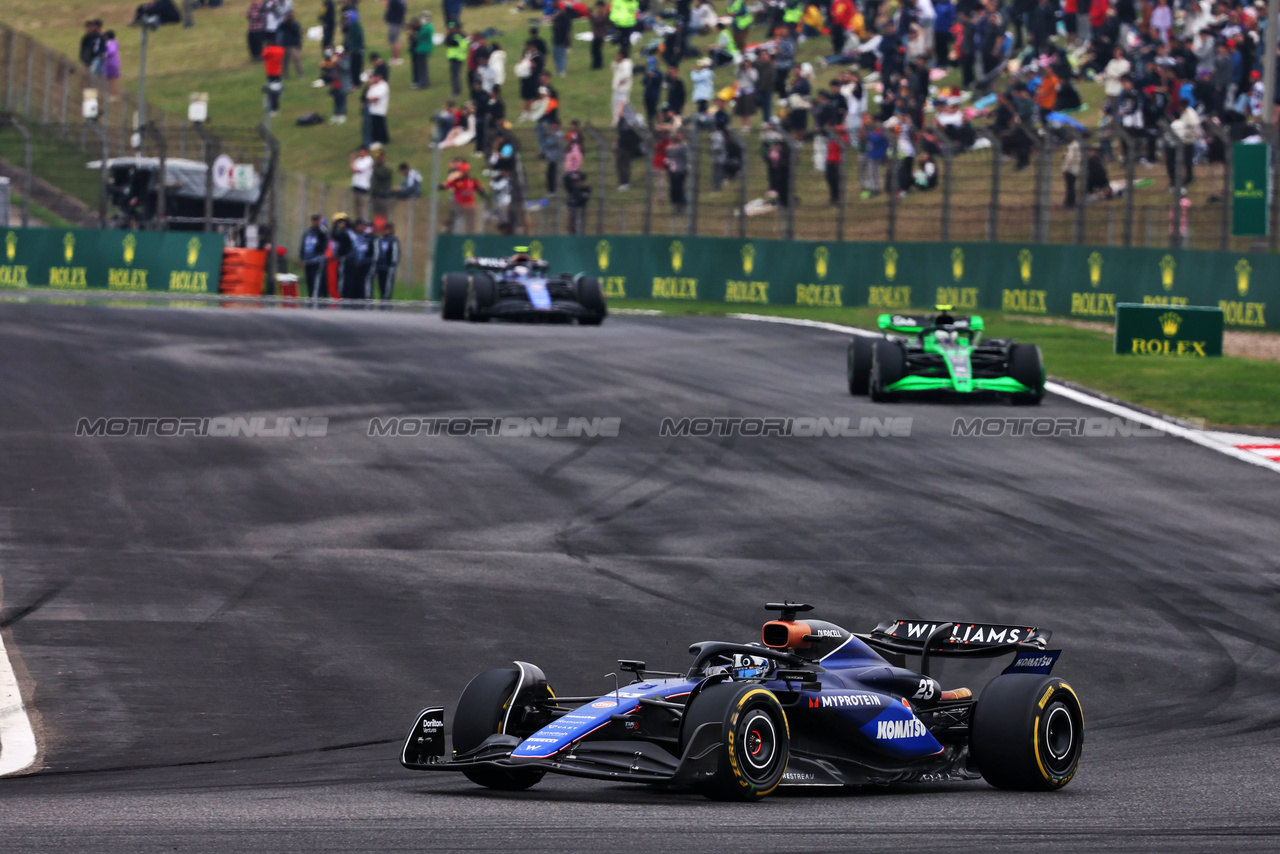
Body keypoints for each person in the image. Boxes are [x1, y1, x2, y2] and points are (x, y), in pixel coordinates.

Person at [441, 158, 486, 232]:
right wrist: (441, 186)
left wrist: (484, 195)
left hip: (469, 206)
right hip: (459, 205)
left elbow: (479, 189)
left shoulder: (472, 181)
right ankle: (448, 230)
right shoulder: (456, 181)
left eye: (466, 171)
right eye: (463, 171)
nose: (465, 172)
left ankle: (470, 236)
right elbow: (447, 185)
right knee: (455, 219)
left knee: (471, 224)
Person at [299, 213, 329, 301]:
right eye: (314, 220)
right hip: (308, 261)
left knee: (316, 281)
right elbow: (303, 245)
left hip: (318, 260)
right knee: (309, 281)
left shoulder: (322, 231)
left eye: (317, 220)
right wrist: (302, 257)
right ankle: (311, 298)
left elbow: (325, 239)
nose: (315, 222)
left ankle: (316, 299)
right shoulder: (308, 232)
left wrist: (320, 228)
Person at [327, 214, 355, 300]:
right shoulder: (335, 232)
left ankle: (341, 295)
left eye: (342, 222)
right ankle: (336, 295)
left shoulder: (347, 232)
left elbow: (350, 243)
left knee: (343, 278)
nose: (341, 224)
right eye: (339, 222)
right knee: (334, 278)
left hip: (346, 258)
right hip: (337, 258)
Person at [372, 222, 401, 303]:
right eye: (385, 229)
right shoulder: (380, 240)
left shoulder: (394, 240)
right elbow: (376, 252)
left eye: (388, 229)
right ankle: (382, 299)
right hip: (380, 266)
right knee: (381, 284)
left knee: (388, 285)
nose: (387, 231)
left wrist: (393, 263)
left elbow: (396, 253)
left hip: (389, 266)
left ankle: (386, 300)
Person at [666, 130, 689, 214]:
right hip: (673, 170)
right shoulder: (670, 148)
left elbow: (685, 158)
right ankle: (677, 205)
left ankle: (681, 203)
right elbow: (669, 159)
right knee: (674, 189)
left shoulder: (682, 147)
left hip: (680, 170)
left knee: (678, 188)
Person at [410, 13, 433, 89]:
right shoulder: (429, 26)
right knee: (423, 67)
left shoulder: (427, 28)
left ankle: (423, 83)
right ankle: (425, 82)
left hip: (422, 49)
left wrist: (414, 33)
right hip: (424, 48)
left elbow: (419, 35)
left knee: (422, 67)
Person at [563, 168, 590, 233]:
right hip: (572, 208)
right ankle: (572, 239)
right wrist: (568, 175)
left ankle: (580, 239)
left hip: (580, 209)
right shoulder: (573, 188)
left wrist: (577, 189)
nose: (579, 182)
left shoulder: (586, 189)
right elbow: (566, 183)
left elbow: (582, 199)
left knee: (580, 225)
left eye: (580, 181)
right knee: (571, 225)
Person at [366, 71, 390, 144]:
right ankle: (376, 139)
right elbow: (367, 96)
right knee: (374, 126)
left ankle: (382, 140)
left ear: (379, 77)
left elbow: (375, 99)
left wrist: (370, 99)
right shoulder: (373, 85)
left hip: (379, 110)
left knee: (380, 126)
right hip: (373, 109)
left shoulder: (383, 85)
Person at [262, 41, 285, 115]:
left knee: (272, 92)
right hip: (278, 72)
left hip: (271, 73)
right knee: (274, 89)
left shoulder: (269, 50)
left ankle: (274, 109)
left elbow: (263, 55)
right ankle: (280, 90)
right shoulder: (280, 50)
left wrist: (266, 48)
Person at [350, 146, 373, 219]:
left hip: (363, 187)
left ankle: (362, 222)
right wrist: (353, 161)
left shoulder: (368, 160)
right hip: (356, 186)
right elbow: (352, 169)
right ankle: (357, 221)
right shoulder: (358, 160)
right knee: (356, 208)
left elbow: (358, 170)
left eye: (362, 151)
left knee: (362, 208)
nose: (361, 153)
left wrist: (353, 160)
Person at [445, 23, 467, 96]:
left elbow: (448, 42)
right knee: (456, 75)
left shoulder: (456, 36)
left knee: (455, 76)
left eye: (453, 28)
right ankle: (457, 90)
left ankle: (456, 91)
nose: (452, 29)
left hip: (456, 57)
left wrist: (448, 35)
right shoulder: (462, 35)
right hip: (459, 57)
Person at [345, 8, 366, 82]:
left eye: (348, 17)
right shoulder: (353, 25)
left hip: (356, 50)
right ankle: (354, 81)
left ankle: (356, 82)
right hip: (355, 49)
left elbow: (357, 37)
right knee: (354, 66)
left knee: (356, 66)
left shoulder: (355, 25)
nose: (347, 19)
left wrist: (352, 47)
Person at [611, 50, 634, 118]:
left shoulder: (627, 63)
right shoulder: (620, 63)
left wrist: (621, 82)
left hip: (623, 90)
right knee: (615, 105)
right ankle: (616, 120)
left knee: (622, 106)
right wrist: (616, 63)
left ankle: (622, 120)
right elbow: (613, 68)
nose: (617, 56)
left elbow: (627, 75)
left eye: (618, 55)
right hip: (618, 90)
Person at [552, 3, 572, 76]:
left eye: (562, 8)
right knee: (556, 56)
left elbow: (568, 31)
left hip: (563, 40)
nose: (561, 10)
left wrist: (567, 41)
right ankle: (558, 69)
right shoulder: (557, 18)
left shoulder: (566, 18)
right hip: (556, 39)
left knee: (562, 56)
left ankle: (563, 70)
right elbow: (554, 29)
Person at [385, 0, 407, 64]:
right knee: (396, 39)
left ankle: (395, 58)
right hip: (399, 21)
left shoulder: (394, 1)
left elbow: (388, 7)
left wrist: (385, 1)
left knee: (394, 40)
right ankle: (396, 58)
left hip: (394, 22)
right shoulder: (402, 1)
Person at [589, 2, 609, 70]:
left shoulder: (603, 14)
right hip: (597, 34)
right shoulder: (599, 14)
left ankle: (598, 65)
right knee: (595, 51)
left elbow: (596, 21)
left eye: (598, 7)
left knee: (596, 51)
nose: (597, 8)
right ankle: (596, 64)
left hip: (600, 35)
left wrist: (591, 15)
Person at [103, 31, 121, 99]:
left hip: (112, 63)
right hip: (111, 63)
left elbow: (111, 52)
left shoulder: (112, 43)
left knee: (113, 79)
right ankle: (111, 94)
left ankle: (114, 95)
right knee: (110, 79)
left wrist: (105, 54)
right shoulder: (112, 43)